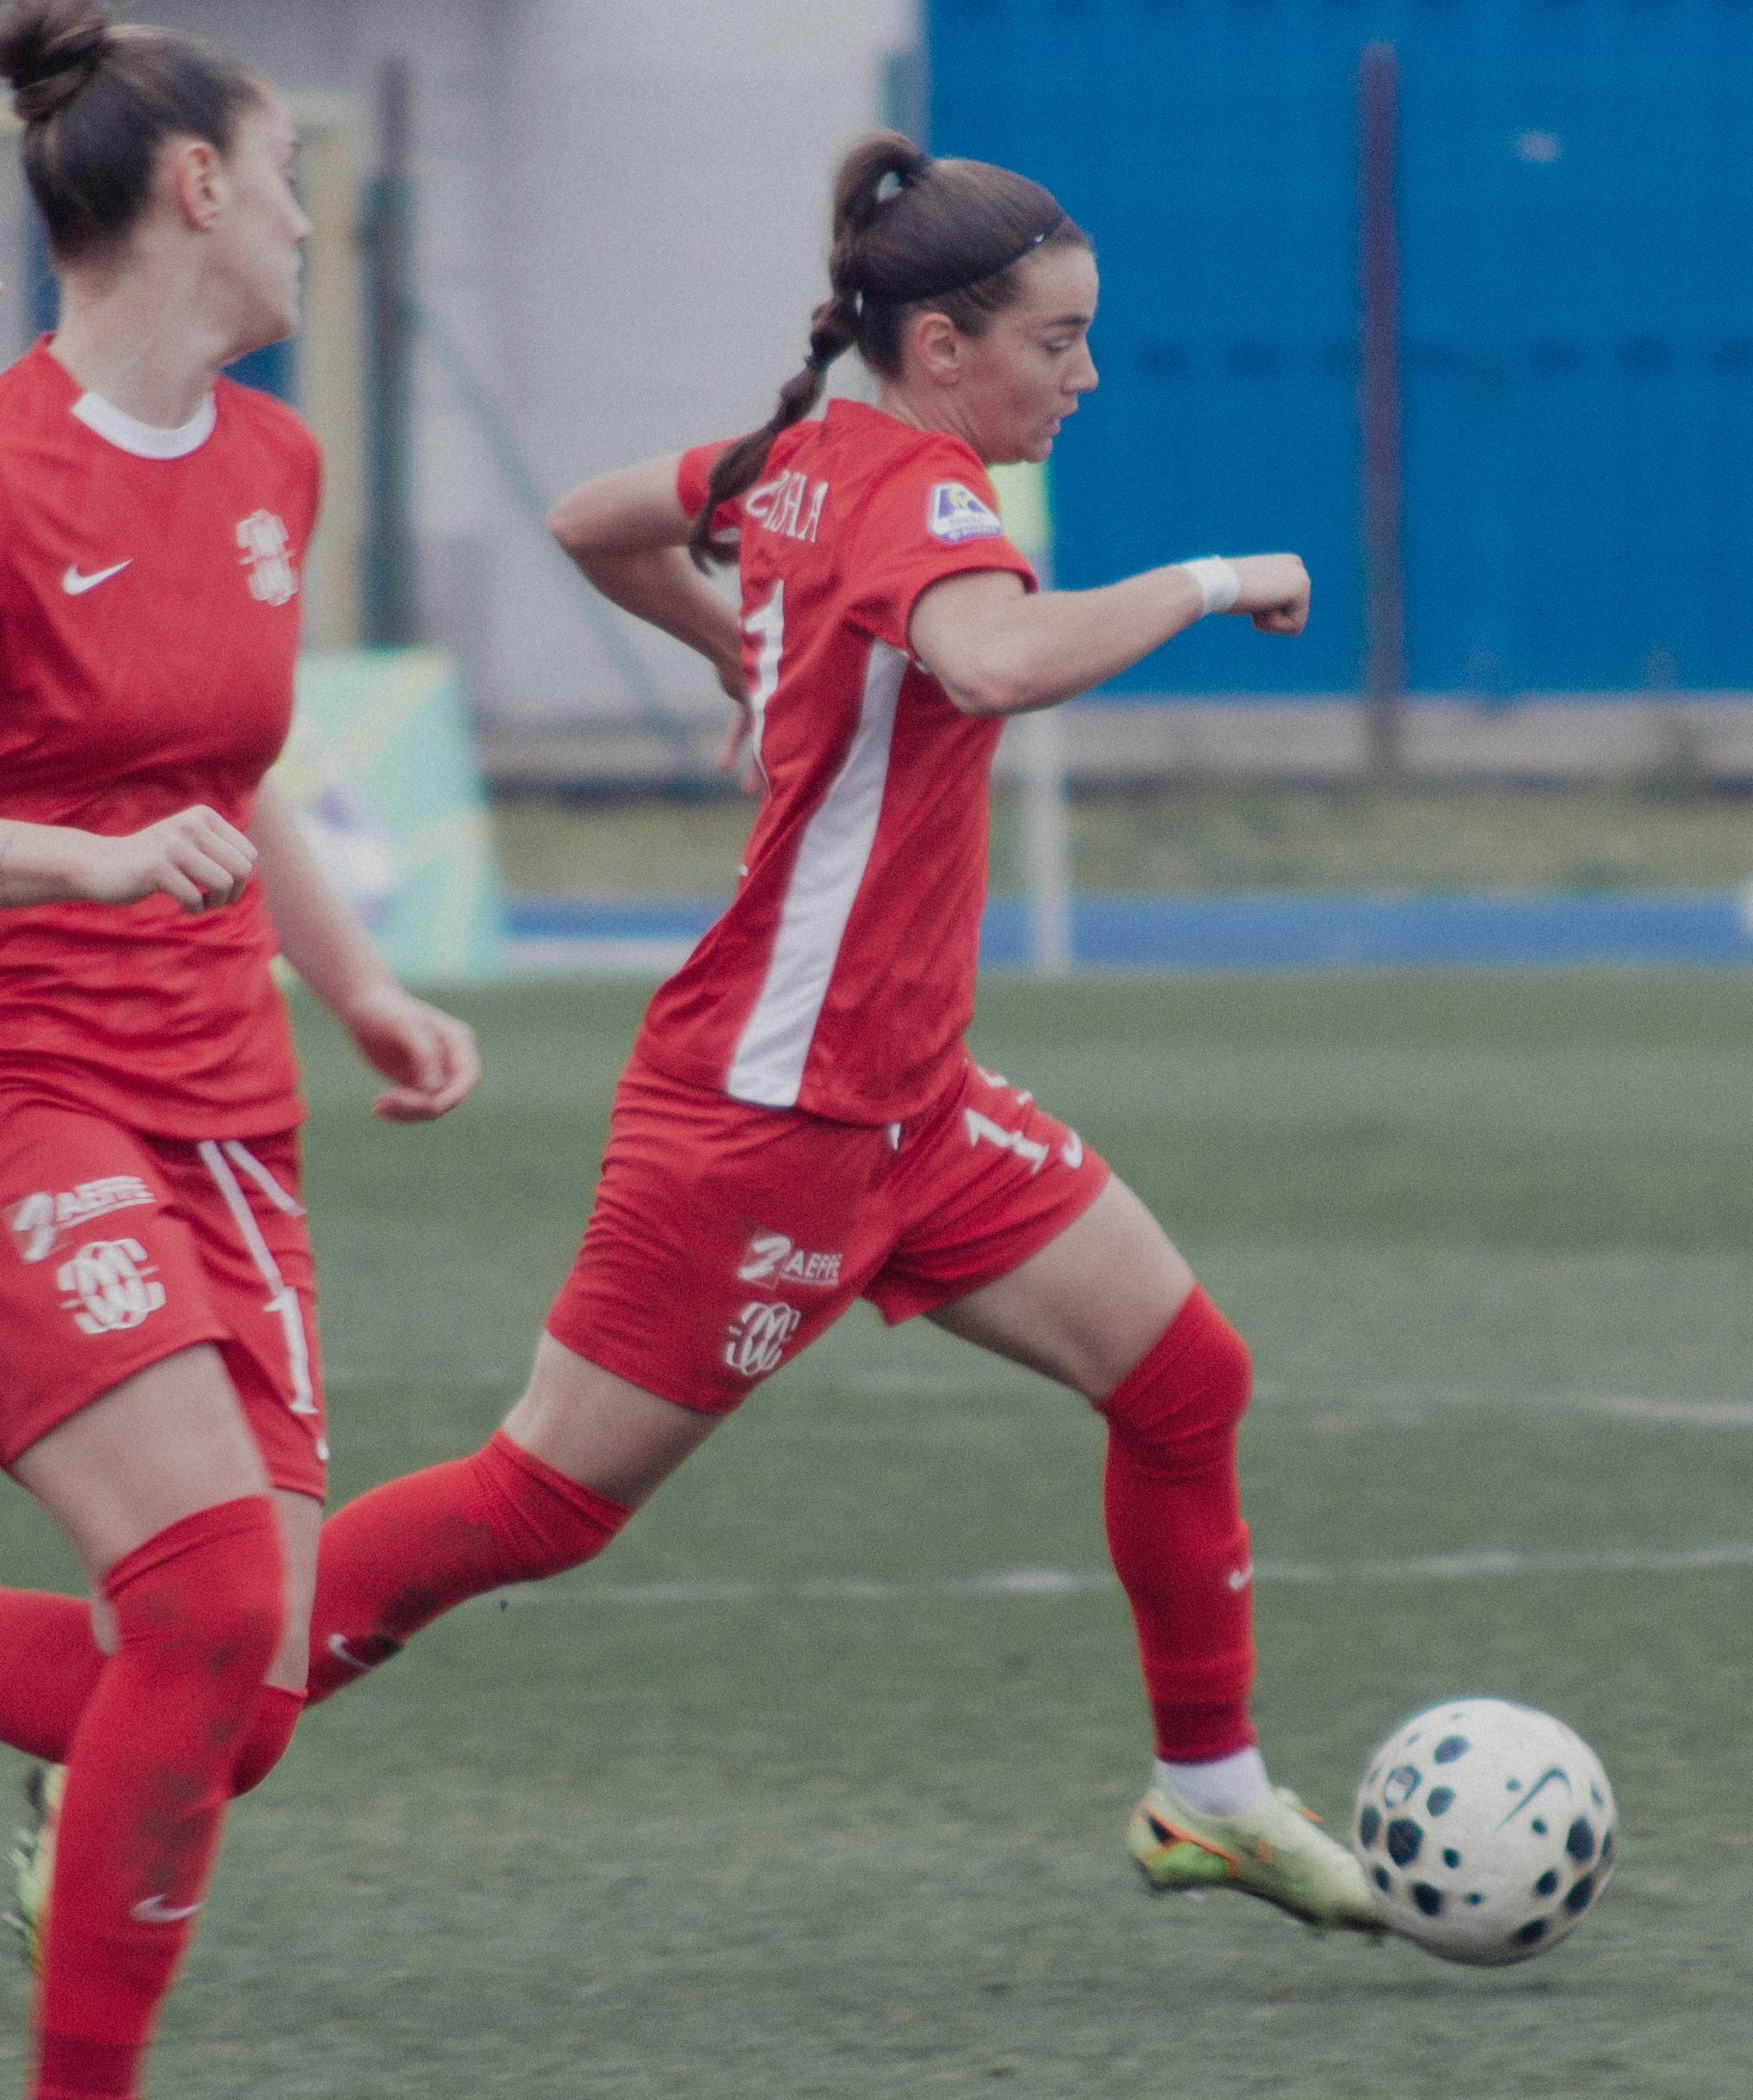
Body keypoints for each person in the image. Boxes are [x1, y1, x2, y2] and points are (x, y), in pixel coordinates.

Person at [296, 130, 1380, 1943]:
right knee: (541, 1499)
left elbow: (592, 519)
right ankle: (150, 1724)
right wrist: (1214, 576)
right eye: (1058, 341)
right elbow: (994, 662)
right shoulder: (920, 496)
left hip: (907, 1105)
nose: (1085, 377)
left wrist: (734, 645)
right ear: (941, 346)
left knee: (1184, 1378)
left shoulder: (799, 457)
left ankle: (1208, 1797)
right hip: (765, 1116)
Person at [0, 0, 478, 2100]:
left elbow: (236, 768)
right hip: (27, 1088)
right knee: (196, 1596)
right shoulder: (7, 471)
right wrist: (81, 867)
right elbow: (116, 821)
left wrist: (357, 980)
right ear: (196, 189)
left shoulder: (275, 463)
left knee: (239, 1694)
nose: (306, 220)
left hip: (229, 1114)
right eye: (286, 178)